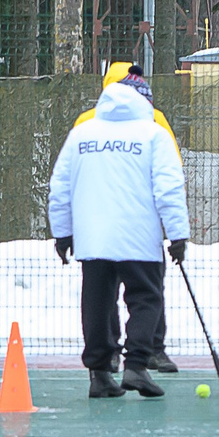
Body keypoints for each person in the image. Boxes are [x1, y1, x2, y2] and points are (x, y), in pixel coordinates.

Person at [47, 74, 189, 399]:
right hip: (139, 236)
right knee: (145, 298)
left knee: (97, 303)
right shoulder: (154, 134)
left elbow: (60, 187)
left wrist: (63, 232)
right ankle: (136, 365)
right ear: (146, 101)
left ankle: (99, 374)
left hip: (93, 237)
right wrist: (177, 234)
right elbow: (168, 188)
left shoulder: (82, 134)